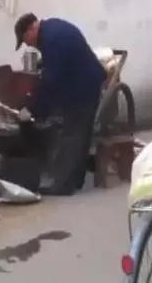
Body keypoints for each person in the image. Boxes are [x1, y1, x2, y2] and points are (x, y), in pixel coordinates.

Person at [13, 13, 106, 196]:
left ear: (32, 28)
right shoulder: (52, 29)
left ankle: (64, 185)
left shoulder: (52, 39)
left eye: (26, 41)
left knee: (72, 133)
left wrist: (32, 108)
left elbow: (50, 80)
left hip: (84, 86)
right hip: (84, 82)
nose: (28, 45)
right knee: (81, 131)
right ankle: (76, 179)